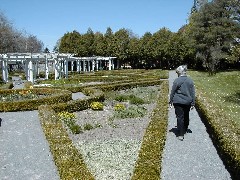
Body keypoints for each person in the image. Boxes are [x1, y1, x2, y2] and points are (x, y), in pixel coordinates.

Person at [169, 65, 195, 141]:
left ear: (179, 73)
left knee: (180, 117)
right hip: (187, 102)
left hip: (178, 102)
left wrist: (170, 101)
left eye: (177, 73)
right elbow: (193, 92)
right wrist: (193, 103)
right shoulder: (190, 80)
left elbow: (173, 92)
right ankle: (185, 129)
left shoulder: (177, 81)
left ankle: (181, 134)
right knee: (186, 116)